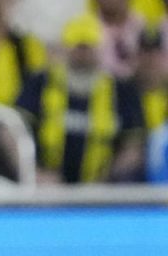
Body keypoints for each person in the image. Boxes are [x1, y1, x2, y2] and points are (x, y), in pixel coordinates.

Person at [16, 12, 145, 183]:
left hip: (103, 192)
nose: (84, 54)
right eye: (78, 46)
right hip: (45, 189)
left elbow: (134, 144)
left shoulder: (121, 90)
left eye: (89, 47)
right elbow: (11, 130)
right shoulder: (40, 82)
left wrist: (109, 180)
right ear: (65, 47)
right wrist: (36, 173)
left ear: (100, 49)